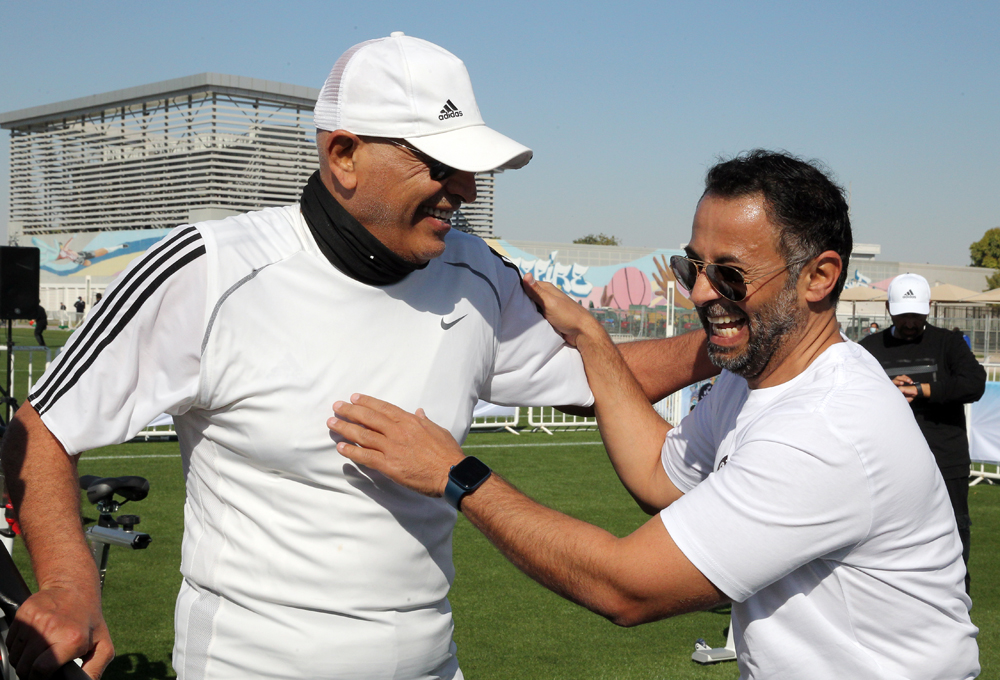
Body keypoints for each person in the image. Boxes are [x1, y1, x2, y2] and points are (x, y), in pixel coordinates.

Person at [0, 33, 715, 680]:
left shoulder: (477, 274)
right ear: (342, 156)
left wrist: (726, 344)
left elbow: (597, 381)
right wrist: (68, 583)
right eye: (440, 163)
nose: (465, 190)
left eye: (470, 168)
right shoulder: (210, 270)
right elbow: (43, 428)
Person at [330, 150, 980, 679]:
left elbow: (626, 588)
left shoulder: (828, 427)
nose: (700, 291)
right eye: (690, 266)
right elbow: (659, 473)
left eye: (729, 274)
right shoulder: (756, 379)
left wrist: (455, 473)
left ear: (819, 277)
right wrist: (589, 335)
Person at [860, 273, 986, 594]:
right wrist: (886, 390)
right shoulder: (868, 349)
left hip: (946, 460)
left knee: (954, 535)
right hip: (888, 465)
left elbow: (974, 383)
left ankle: (957, 600)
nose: (910, 322)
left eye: (916, 314)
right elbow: (849, 393)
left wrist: (924, 389)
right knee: (889, 538)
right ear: (889, 310)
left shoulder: (948, 343)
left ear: (928, 308)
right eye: (903, 315)